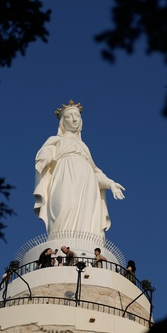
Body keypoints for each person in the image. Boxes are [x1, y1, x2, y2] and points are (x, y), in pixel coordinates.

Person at [34, 101, 126, 237]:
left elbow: (95, 173)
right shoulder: (56, 140)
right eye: (69, 116)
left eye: (77, 116)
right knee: (64, 206)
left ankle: (86, 243)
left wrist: (110, 183)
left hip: (87, 182)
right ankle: (60, 239)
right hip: (64, 176)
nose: (74, 119)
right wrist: (43, 159)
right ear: (62, 122)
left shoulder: (84, 147)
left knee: (87, 215)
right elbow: (47, 151)